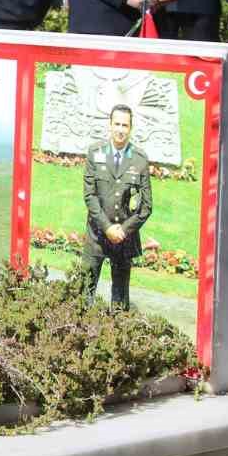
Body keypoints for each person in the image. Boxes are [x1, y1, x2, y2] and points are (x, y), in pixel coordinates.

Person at [81, 105, 152, 307]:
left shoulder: (140, 160)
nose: (120, 129)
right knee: (84, 296)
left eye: (125, 125)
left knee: (120, 302)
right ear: (110, 125)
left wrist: (123, 230)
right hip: (97, 236)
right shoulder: (95, 153)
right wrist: (107, 227)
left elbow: (146, 206)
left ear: (131, 128)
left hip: (124, 239)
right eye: (117, 124)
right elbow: (90, 196)